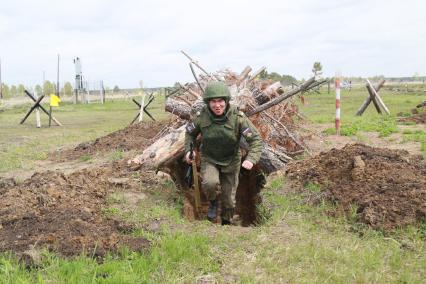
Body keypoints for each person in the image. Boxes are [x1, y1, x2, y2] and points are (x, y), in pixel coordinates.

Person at [184, 81, 262, 225]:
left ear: (226, 101)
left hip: (231, 160)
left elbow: (256, 139)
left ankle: (226, 222)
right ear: (208, 103)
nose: (217, 105)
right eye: (213, 101)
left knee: (229, 200)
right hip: (210, 158)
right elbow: (189, 133)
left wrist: (251, 159)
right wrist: (189, 151)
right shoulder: (201, 116)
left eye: (220, 101)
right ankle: (213, 202)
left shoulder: (237, 117)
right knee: (209, 183)